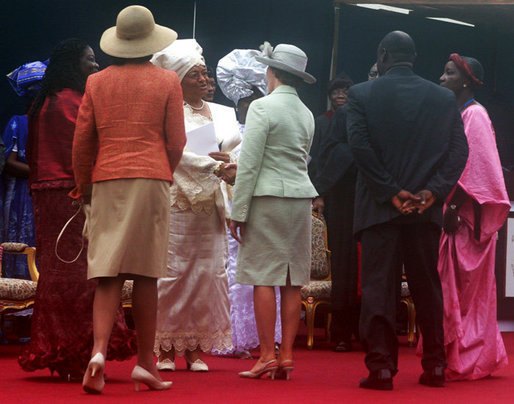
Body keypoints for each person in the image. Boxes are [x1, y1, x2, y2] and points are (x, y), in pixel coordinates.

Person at [71, 6, 186, 393]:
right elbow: (177, 141)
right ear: (151, 41)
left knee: (107, 274)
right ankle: (145, 364)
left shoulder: (96, 83)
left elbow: (82, 142)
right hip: (151, 177)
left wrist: (84, 187)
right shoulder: (168, 81)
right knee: (146, 276)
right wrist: (162, 168)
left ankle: (99, 353)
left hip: (106, 179)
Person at [346, 31, 469, 390]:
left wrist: (390, 191)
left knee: (378, 289)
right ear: (414, 57)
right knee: (427, 288)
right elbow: (458, 153)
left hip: (379, 209)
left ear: (383, 55)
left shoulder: (361, 94)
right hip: (424, 211)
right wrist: (431, 193)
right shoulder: (444, 98)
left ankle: (381, 368)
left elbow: (360, 147)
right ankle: (435, 366)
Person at [19, 38, 136, 380]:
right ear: (74, 64)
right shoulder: (74, 103)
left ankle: (62, 351)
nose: (96, 65)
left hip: (46, 197)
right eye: (90, 60)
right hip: (75, 195)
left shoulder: (42, 105)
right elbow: (88, 152)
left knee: (58, 276)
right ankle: (82, 349)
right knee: (87, 274)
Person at [230, 42, 317, 380]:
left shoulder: (262, 107)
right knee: (293, 280)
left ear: (271, 72)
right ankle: (287, 355)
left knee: (263, 276)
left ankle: (267, 354)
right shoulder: (307, 113)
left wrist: (239, 209)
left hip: (267, 198)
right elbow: (304, 157)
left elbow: (249, 163)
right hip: (300, 198)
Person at [151, 39, 239, 372]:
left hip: (212, 204)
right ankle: (166, 350)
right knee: (173, 275)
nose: (203, 80)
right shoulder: (166, 112)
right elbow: (173, 153)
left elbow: (238, 149)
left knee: (208, 275)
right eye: (194, 75)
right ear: (176, 79)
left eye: (205, 73)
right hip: (178, 202)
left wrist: (229, 163)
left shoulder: (221, 112)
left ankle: (196, 348)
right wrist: (212, 165)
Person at [435, 53, 509, 380]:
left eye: (449, 73)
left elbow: (477, 167)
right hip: (456, 213)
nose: (441, 77)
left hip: (466, 219)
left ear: (466, 80)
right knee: (458, 291)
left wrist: (452, 207)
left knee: (466, 294)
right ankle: (464, 354)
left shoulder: (475, 115)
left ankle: (470, 358)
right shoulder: (460, 112)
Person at [216, 48, 281, 358]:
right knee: (234, 275)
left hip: (263, 208)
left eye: (253, 103)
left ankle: (265, 337)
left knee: (265, 275)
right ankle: (233, 336)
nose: (247, 108)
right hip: (230, 210)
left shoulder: (268, 131)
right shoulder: (227, 132)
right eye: (243, 104)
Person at [1, 61, 45, 279]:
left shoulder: (53, 124)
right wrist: (41, 174)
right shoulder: (18, 123)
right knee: (21, 240)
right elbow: (8, 162)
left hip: (44, 192)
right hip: (21, 194)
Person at [308, 74, 353, 181]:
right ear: (329, 96)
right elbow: (314, 156)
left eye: (345, 92)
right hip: (323, 180)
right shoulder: (321, 122)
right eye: (335, 92)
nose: (340, 96)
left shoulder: (355, 122)